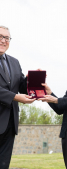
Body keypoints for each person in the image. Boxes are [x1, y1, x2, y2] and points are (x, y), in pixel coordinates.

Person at [0, 26, 36, 169]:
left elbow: (21, 86)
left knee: (4, 164)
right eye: (0, 36)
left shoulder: (14, 62)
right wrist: (14, 97)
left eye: (7, 38)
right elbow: (14, 94)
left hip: (9, 122)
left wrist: (32, 80)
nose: (3, 41)